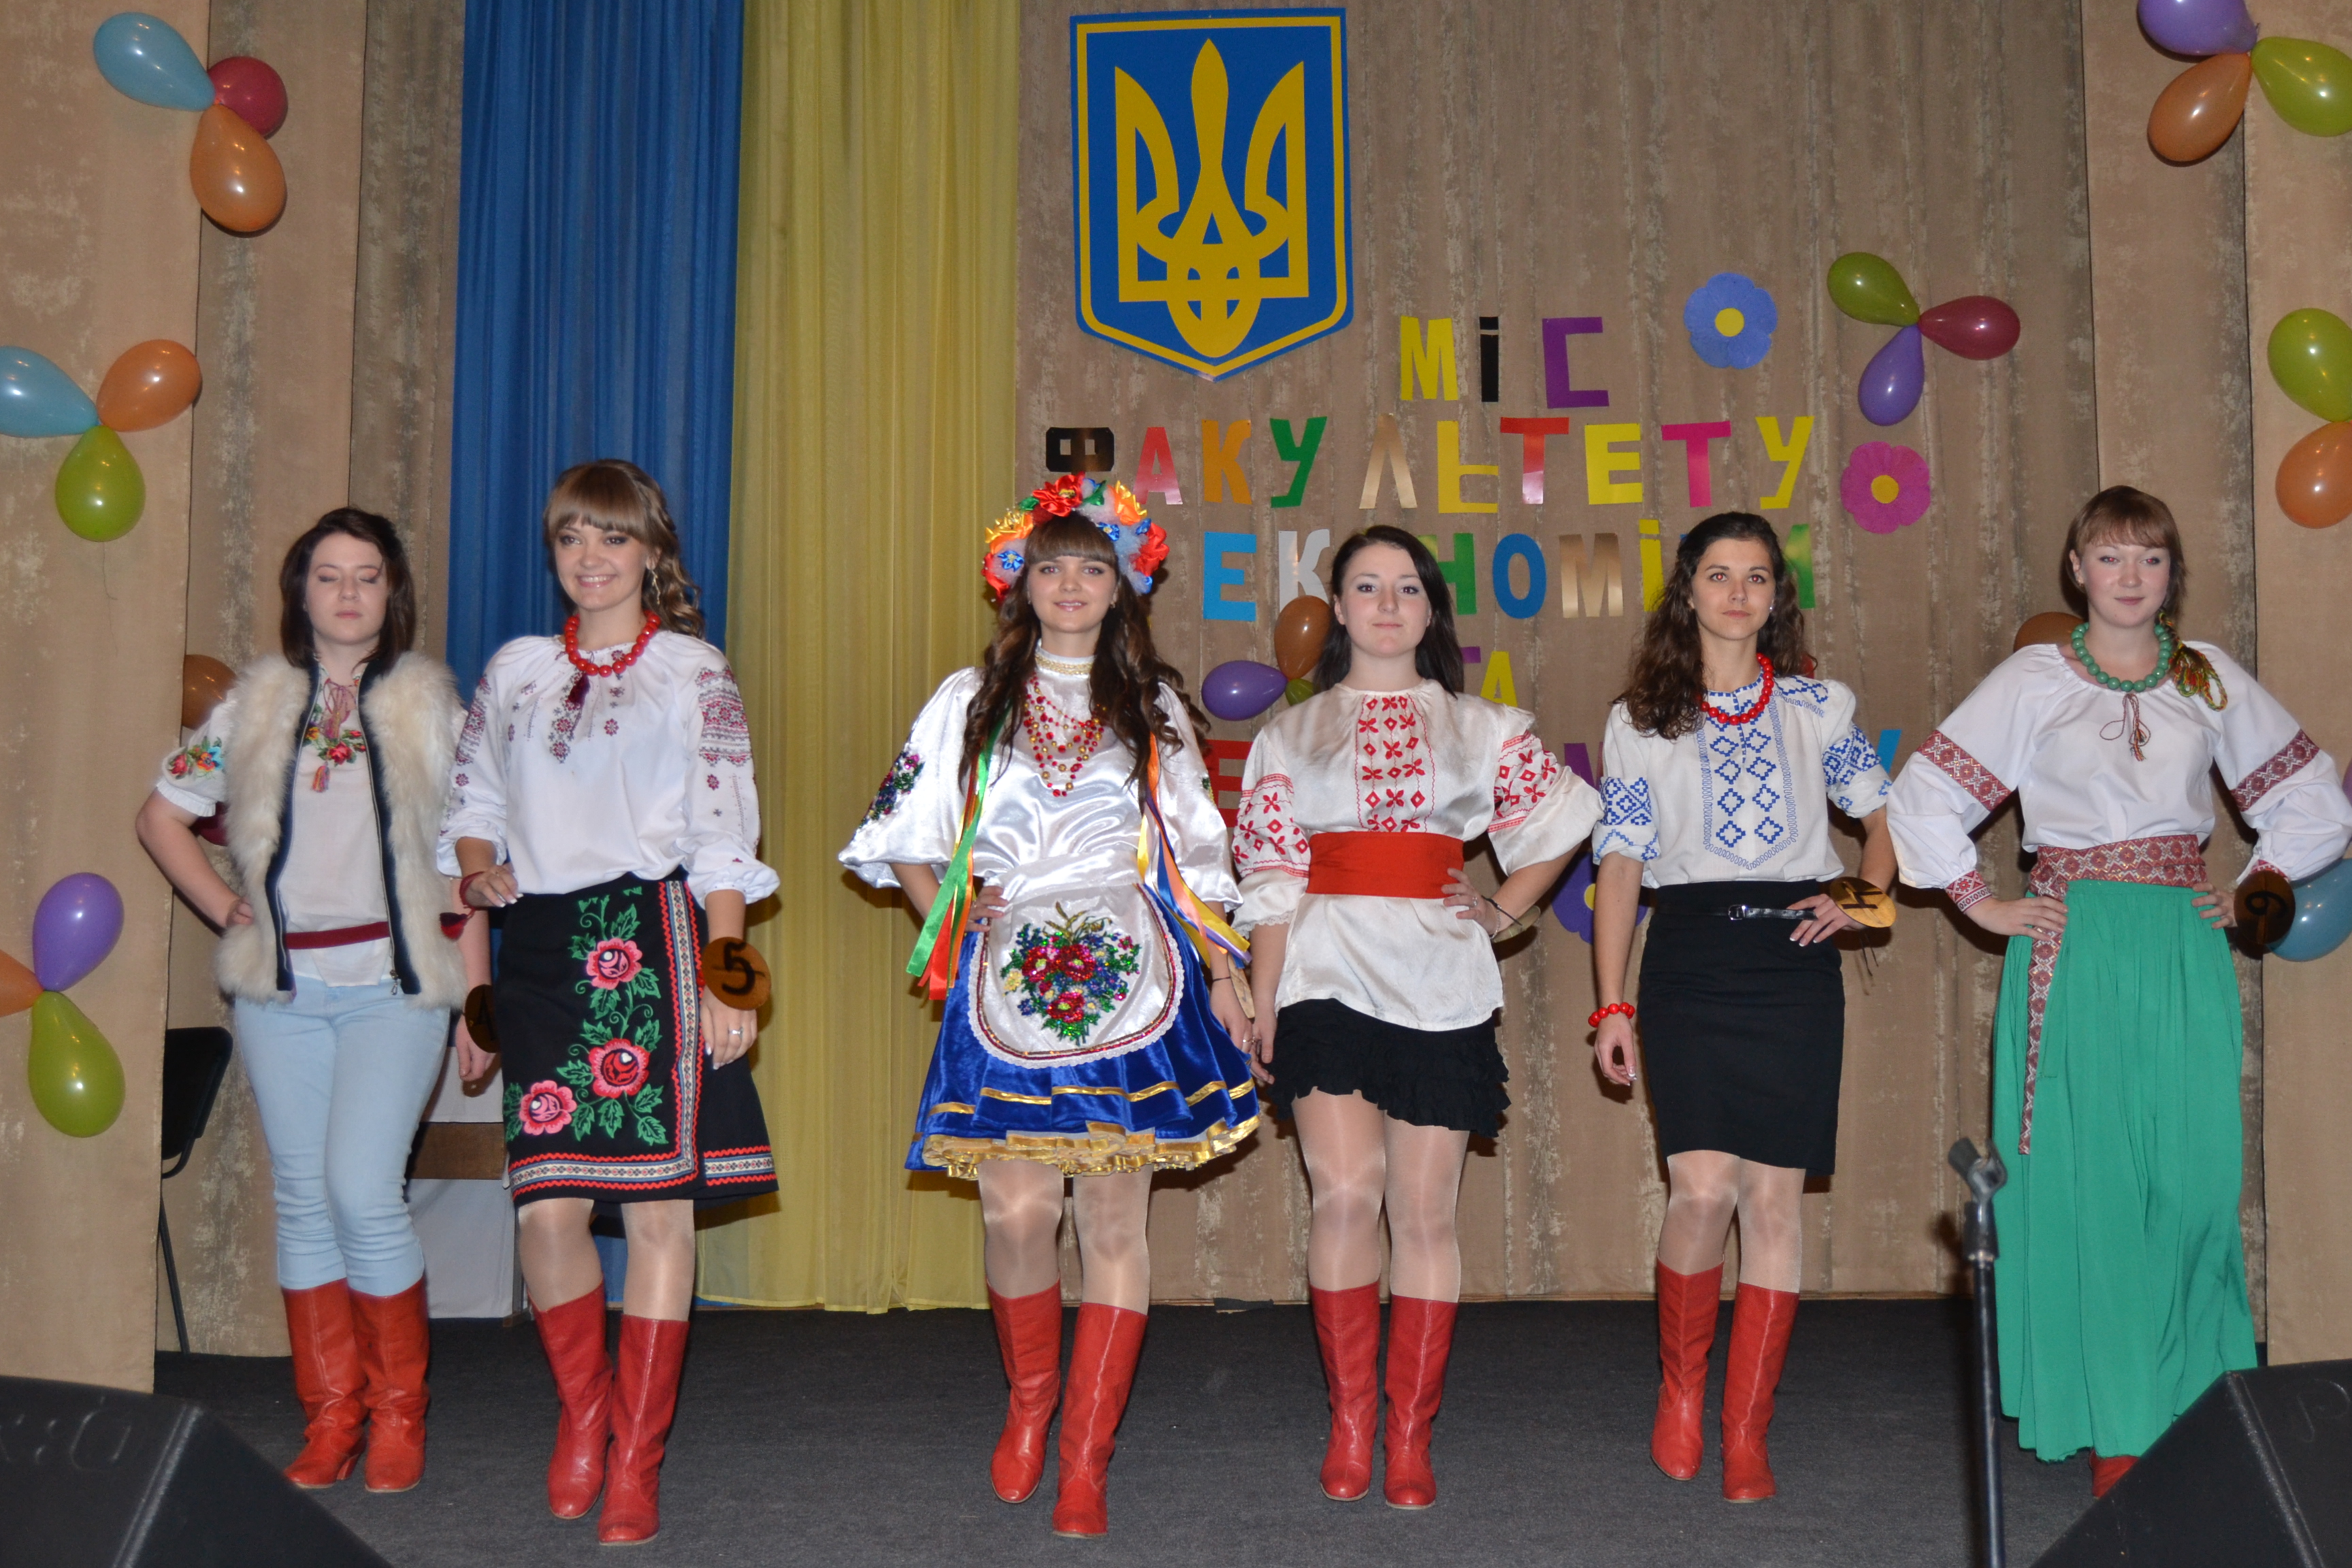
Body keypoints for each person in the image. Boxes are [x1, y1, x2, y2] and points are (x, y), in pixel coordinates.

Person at [1886, 485, 2352, 1497]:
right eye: (2110, 556)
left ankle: (2192, 1403)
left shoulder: (2205, 675)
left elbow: (2312, 799)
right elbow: (1925, 795)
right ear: (2077, 569)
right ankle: (2120, 1428)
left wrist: (2257, 886)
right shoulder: (2035, 679)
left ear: (2171, 573)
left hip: (2180, 941)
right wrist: (1980, 902)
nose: (2130, 576)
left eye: (2149, 558)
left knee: (2191, 1181)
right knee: (2092, 1181)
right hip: (2077, 940)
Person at [840, 475, 1258, 1539]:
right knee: (1018, 1211)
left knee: (1114, 1219)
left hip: (1135, 973)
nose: (1071, 583)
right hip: (1008, 974)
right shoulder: (967, 700)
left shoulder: (1155, 707)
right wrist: (948, 917)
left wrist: (1227, 971)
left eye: (1092, 567)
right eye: (1051, 566)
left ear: (1122, 586)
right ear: (1018, 584)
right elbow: (903, 832)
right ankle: (1031, 1402)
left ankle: (1086, 1455)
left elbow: (1199, 853)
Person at [440, 459, 778, 1544]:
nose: (591, 558)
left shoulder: (693, 672)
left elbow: (725, 833)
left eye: (613, 537)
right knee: (544, 1205)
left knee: (656, 1209)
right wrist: (482, 878)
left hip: (653, 937)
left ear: (652, 553)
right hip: (539, 945)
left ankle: (637, 1454)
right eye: (572, 538)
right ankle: (582, 1418)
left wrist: (731, 979)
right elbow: (471, 805)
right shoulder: (517, 669)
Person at [1232, 524, 1597, 1509]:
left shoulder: (1482, 727)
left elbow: (1562, 819)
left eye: (1406, 587)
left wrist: (1504, 907)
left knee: (1425, 1210)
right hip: (1323, 972)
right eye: (1366, 586)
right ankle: (1351, 1423)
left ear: (1431, 608)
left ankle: (1409, 1434)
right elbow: (1271, 880)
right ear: (1337, 609)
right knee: (1345, 1193)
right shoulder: (1290, 736)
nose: (1387, 604)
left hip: (1439, 981)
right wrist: (1265, 1002)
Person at [137, 509, 483, 1494]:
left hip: (394, 988)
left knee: (362, 1191)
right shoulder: (253, 706)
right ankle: (332, 1417)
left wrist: (477, 997)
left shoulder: (432, 707)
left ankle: (399, 1414)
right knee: (302, 1198)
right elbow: (161, 817)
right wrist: (223, 907)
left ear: (391, 591)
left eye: (366, 576)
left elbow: (468, 861)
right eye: (328, 576)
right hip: (282, 994)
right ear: (301, 593)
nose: (347, 593)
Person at [1589, 510, 1895, 1503]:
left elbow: (1881, 822)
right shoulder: (1640, 720)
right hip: (1689, 959)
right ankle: (1682, 1391)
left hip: (1793, 965)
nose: (1737, 593)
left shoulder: (1819, 706)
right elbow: (1620, 867)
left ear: (1776, 596)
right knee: (1703, 1190)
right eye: (1718, 574)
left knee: (1772, 1201)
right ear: (1687, 591)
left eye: (1756, 576)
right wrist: (1611, 1006)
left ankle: (1747, 1429)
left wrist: (1860, 899)